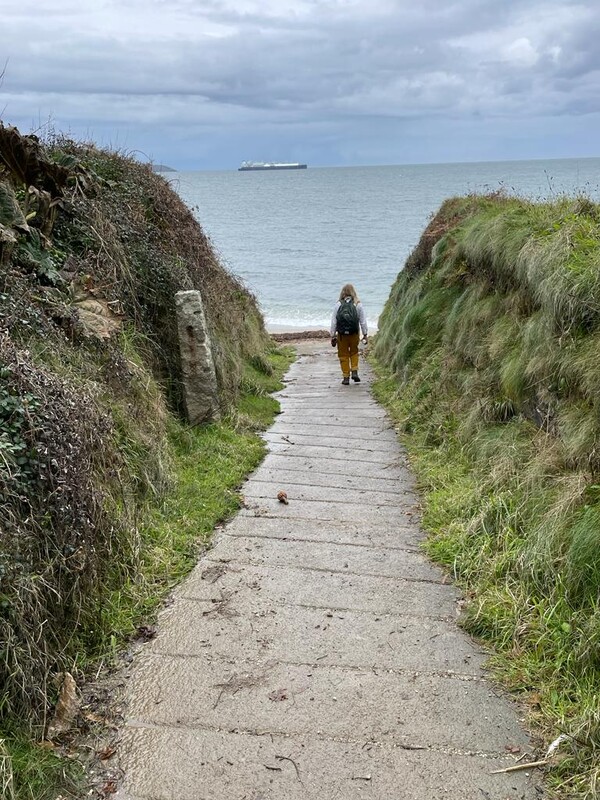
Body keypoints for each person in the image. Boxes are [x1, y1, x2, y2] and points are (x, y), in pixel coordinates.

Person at [330, 283, 368, 385]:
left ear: (342, 292)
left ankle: (346, 377)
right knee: (354, 352)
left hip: (342, 335)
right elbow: (363, 321)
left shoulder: (338, 304)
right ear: (353, 292)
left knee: (343, 355)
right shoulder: (358, 304)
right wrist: (365, 334)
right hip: (354, 333)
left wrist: (333, 335)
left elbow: (334, 321)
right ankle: (354, 370)